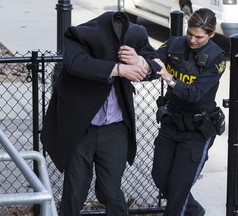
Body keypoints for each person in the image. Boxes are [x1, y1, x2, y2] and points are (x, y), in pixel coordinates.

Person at [40, 11, 160, 216]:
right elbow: (76, 63)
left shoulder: (136, 34)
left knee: (110, 192)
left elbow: (156, 64)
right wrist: (118, 69)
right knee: (75, 191)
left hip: (115, 130)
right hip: (81, 128)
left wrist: (140, 61)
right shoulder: (81, 35)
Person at [152, 8, 226, 216]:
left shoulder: (217, 58)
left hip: (196, 130)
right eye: (190, 33)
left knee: (178, 189)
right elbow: (154, 61)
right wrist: (142, 62)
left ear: (211, 35)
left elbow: (195, 94)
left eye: (199, 37)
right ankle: (194, 211)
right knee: (160, 177)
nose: (192, 40)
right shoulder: (174, 44)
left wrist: (170, 79)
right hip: (171, 123)